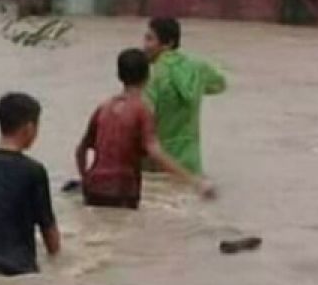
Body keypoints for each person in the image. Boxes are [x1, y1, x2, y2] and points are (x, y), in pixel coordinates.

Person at [75, 48, 214, 209]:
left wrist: (85, 178)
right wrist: (194, 181)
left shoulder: (103, 108)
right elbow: (155, 152)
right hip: (123, 189)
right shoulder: (141, 110)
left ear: (119, 76)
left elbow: (81, 150)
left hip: (94, 188)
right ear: (147, 77)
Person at [0, 92, 61, 276]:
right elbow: (48, 227)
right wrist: (58, 263)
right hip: (15, 266)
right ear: (29, 128)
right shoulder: (33, 171)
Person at [143, 17, 227, 175]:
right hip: (191, 162)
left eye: (149, 39)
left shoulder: (152, 76)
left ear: (167, 44)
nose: (144, 46)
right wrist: (197, 88)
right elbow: (220, 85)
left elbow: (142, 118)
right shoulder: (198, 68)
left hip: (161, 163)